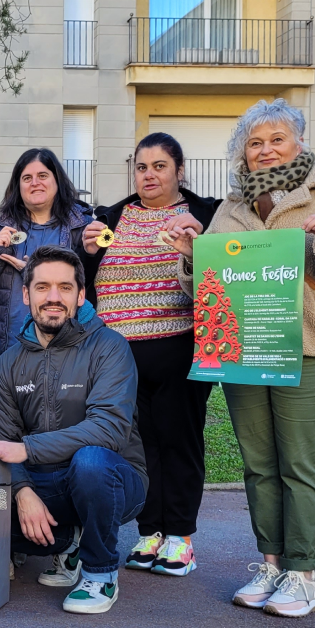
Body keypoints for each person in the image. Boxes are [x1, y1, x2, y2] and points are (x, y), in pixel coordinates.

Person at [165, 99, 315, 618]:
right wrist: (192, 254)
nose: (265, 150)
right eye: (254, 143)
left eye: (276, 139)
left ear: (298, 142)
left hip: (307, 347)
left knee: (299, 464)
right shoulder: (231, 207)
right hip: (242, 349)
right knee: (258, 465)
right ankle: (272, 564)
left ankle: (303, 575)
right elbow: (203, 288)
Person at [0, 245, 147, 615]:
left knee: (90, 462)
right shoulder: (9, 361)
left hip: (114, 478)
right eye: (43, 286)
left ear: (81, 295)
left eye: (65, 288)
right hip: (43, 484)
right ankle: (66, 543)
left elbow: (109, 429)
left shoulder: (109, 347)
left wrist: (27, 450)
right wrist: (22, 490)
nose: (53, 297)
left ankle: (100, 570)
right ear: (25, 294)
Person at [83, 132, 221, 577]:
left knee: (179, 441)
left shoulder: (205, 216)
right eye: (142, 167)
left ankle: (179, 537)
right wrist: (85, 253)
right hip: (120, 357)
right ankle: (149, 532)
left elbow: (220, 280)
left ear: (179, 172)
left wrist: (200, 247)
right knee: (138, 447)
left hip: (180, 350)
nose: (149, 174)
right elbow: (89, 282)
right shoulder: (110, 218)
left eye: (160, 166)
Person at [0, 148, 102, 354]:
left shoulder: (83, 228)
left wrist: (35, 271)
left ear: (57, 181)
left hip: (68, 349)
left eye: (43, 176)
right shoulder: (0, 228)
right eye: (27, 178)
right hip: (8, 350)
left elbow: (92, 286)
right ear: (18, 186)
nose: (35, 183)